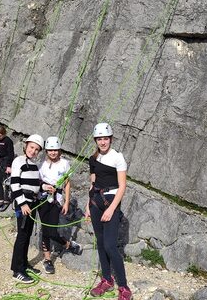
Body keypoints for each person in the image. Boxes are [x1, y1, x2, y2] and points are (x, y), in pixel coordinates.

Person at [87, 123, 132, 300]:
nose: (103, 142)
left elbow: (122, 187)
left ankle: (124, 287)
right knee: (100, 242)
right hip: (95, 202)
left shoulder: (118, 158)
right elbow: (92, 184)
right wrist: (87, 206)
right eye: (99, 139)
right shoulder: (93, 159)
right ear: (95, 140)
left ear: (111, 139)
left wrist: (112, 209)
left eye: (105, 138)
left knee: (110, 246)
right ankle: (106, 279)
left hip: (111, 202)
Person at [38, 136, 82, 274]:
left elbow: (67, 183)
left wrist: (67, 201)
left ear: (59, 150)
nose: (53, 153)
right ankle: (47, 259)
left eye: (55, 150)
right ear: (46, 151)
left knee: (51, 230)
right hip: (42, 199)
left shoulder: (64, 164)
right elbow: (38, 181)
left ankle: (67, 244)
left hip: (56, 199)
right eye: (50, 150)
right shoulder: (41, 165)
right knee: (45, 229)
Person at [10, 134, 44, 284]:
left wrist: (44, 187)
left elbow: (35, 184)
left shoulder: (34, 165)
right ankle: (17, 270)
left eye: (37, 149)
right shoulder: (19, 161)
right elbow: (15, 184)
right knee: (22, 235)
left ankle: (24, 264)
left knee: (28, 234)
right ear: (26, 146)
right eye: (32, 147)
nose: (33, 151)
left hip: (33, 202)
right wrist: (23, 204)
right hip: (24, 203)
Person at [0, 126, 15, 212]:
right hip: (0, 160)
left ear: (4, 134)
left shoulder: (8, 141)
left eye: (0, 136)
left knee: (6, 182)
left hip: (6, 160)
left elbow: (11, 154)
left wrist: (9, 166)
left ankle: (6, 200)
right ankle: (1, 199)